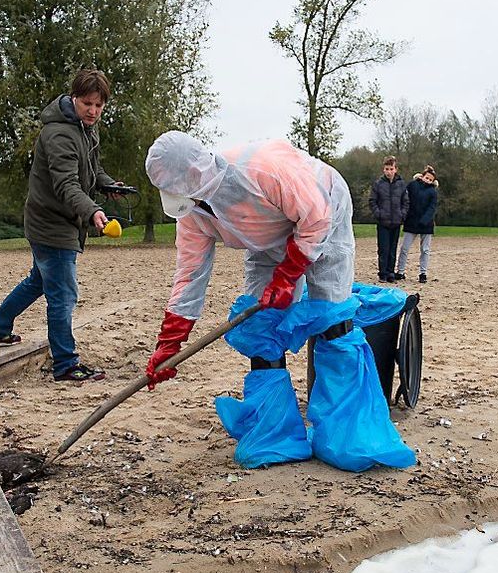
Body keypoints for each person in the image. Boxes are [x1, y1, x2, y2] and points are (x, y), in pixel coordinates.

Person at [141, 131, 414, 472]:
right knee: (261, 325)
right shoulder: (192, 213)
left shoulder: (263, 170)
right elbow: (190, 274)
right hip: (265, 241)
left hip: (323, 212)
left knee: (332, 319)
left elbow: (315, 217)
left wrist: (289, 276)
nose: (189, 203)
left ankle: (349, 434)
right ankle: (275, 434)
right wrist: (169, 343)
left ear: (197, 175)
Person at [0, 69, 124, 382]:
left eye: (99, 106)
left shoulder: (86, 129)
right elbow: (66, 184)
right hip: (51, 222)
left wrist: (108, 184)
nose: (93, 111)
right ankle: (65, 364)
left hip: (58, 219)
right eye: (87, 103)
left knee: (39, 282)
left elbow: (90, 169)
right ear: (73, 98)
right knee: (63, 294)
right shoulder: (59, 134)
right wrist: (93, 212)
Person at [368, 156, 408, 283]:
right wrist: (378, 214)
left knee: (392, 248)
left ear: (396, 169)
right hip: (383, 222)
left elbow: (405, 202)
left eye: (391, 169)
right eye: (387, 169)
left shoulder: (401, 184)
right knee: (383, 248)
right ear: (383, 169)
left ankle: (391, 272)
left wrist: (402, 215)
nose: (389, 171)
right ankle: (382, 273)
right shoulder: (378, 184)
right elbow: (372, 201)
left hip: (396, 221)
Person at [397, 165, 439, 284]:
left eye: (430, 180)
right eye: (427, 178)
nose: (428, 181)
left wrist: (424, 220)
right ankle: (400, 271)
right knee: (404, 248)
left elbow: (432, 208)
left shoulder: (433, 192)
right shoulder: (412, 185)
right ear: (422, 176)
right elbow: (405, 199)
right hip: (411, 221)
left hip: (426, 225)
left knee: (425, 250)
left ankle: (423, 273)